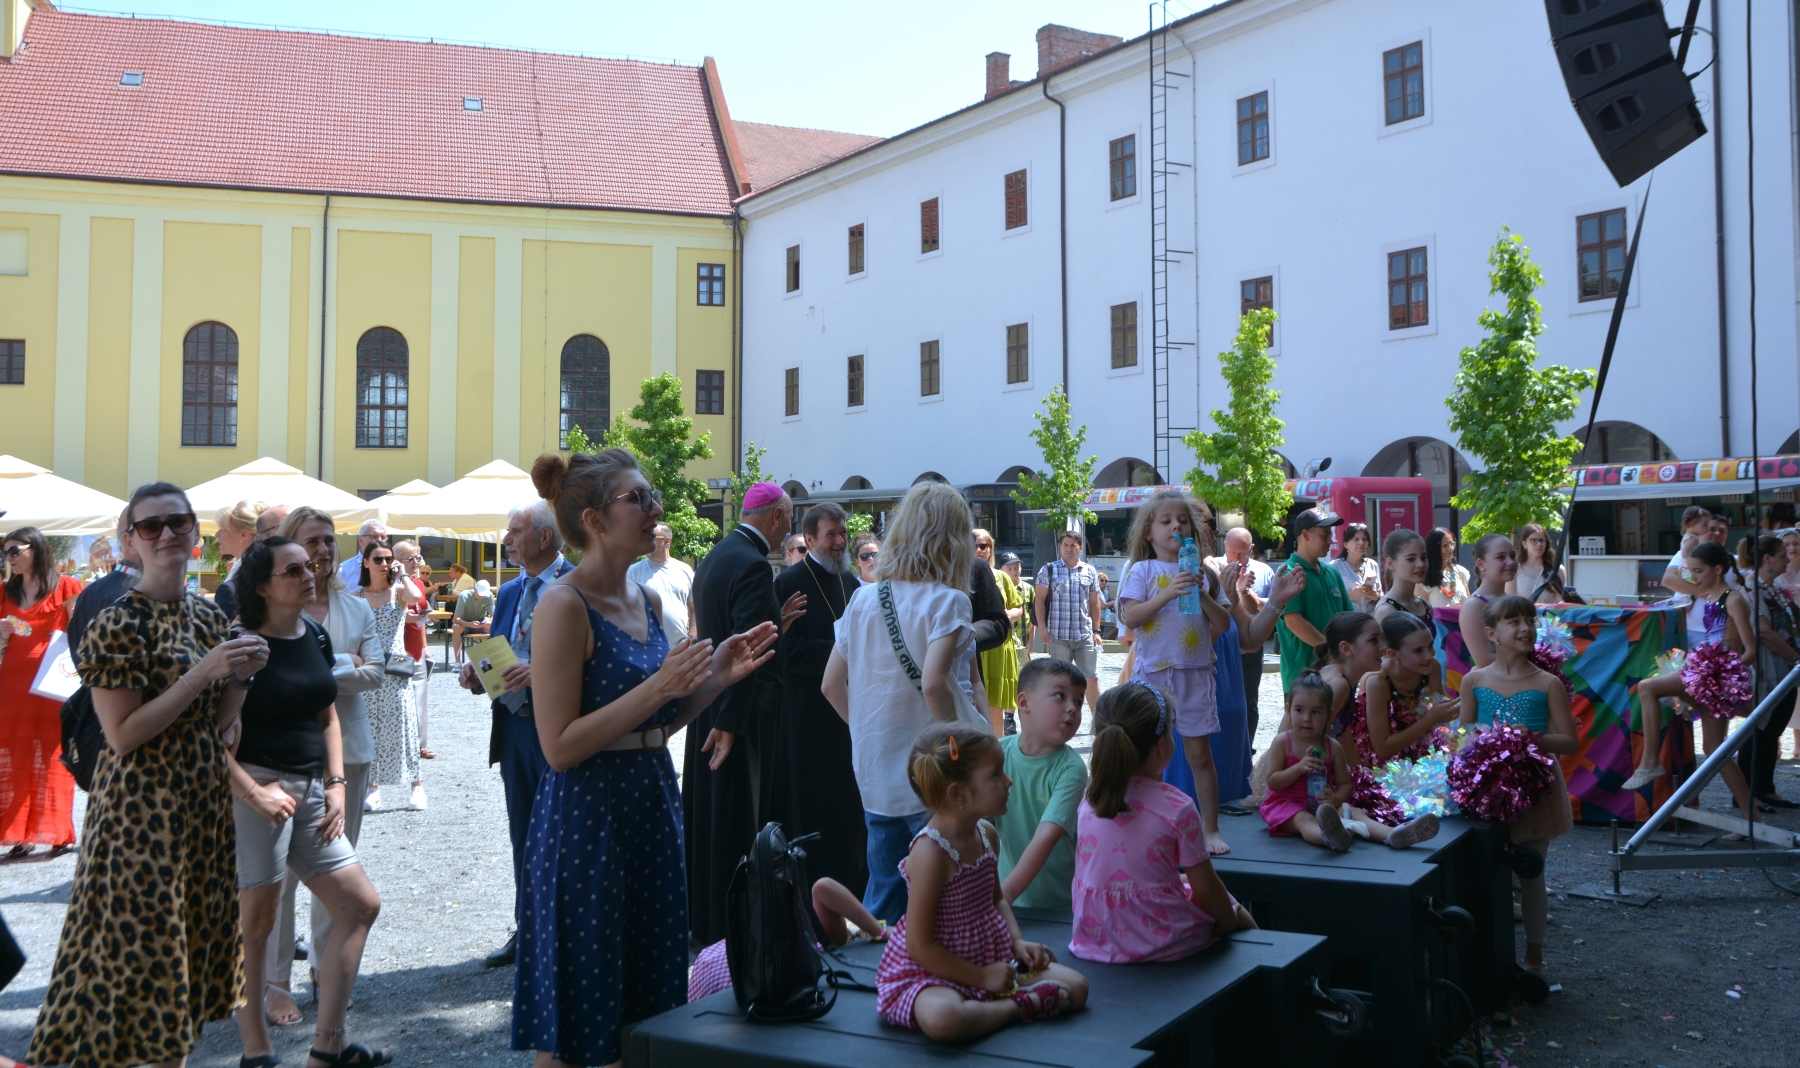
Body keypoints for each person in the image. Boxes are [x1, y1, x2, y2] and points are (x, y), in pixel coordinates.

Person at [515, 449, 777, 1067]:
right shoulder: (562, 604)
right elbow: (558, 747)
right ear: (595, 520)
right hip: (587, 818)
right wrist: (658, 687)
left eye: (650, 493)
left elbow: (659, 722)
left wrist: (715, 679)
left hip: (651, 805)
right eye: (638, 497)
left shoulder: (648, 601)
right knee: (580, 1012)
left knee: (644, 1003)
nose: (654, 508)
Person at [29, 482, 266, 1068]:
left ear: (195, 534)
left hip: (199, 805)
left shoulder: (209, 615)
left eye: (178, 523)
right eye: (151, 526)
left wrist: (239, 678)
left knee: (182, 971)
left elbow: (217, 724)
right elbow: (123, 735)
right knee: (140, 968)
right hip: (138, 814)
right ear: (130, 541)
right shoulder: (117, 622)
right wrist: (202, 673)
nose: (166, 535)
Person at [224, 537, 388, 1068]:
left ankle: (328, 1046)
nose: (309, 573)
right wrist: (254, 792)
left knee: (360, 904)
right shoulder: (241, 645)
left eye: (311, 565)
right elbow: (206, 737)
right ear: (263, 587)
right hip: (256, 791)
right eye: (293, 569)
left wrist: (336, 784)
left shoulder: (315, 635)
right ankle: (257, 1053)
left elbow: (328, 715)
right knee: (258, 921)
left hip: (312, 789)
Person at [822, 481, 983, 923]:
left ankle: (882, 983)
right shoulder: (948, 601)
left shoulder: (863, 598)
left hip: (875, 772)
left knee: (885, 900)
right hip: (933, 772)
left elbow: (831, 686)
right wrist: (956, 750)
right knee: (947, 901)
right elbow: (934, 684)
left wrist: (866, 733)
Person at [873, 723, 1088, 1039]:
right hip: (937, 971)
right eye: (996, 775)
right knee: (945, 1019)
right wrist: (979, 977)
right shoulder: (931, 852)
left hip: (992, 958)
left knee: (1077, 988)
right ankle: (1020, 1006)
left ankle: (998, 1003)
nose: (1008, 780)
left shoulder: (986, 835)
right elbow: (919, 946)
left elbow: (997, 899)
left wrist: (1017, 943)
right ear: (958, 793)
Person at [262, 506, 387, 1030]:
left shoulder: (354, 609)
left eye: (329, 541)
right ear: (290, 548)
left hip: (348, 754)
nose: (323, 550)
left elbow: (380, 671)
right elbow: (264, 675)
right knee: (277, 878)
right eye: (312, 541)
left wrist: (319, 670)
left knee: (336, 871)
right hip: (279, 757)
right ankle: (272, 983)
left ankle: (323, 971)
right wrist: (342, 665)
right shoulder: (265, 607)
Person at [458, 500, 574, 969]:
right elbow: (498, 654)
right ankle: (528, 929)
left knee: (565, 831)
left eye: (515, 531)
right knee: (523, 832)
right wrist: (475, 676)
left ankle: (566, 932)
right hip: (515, 730)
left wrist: (540, 671)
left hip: (563, 728)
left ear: (545, 537)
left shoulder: (577, 587)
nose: (506, 540)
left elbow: (592, 664)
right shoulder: (509, 593)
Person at [686, 481, 802, 945]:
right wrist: (731, 723)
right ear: (775, 517)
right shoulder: (754, 565)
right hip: (742, 713)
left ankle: (707, 916)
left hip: (708, 701)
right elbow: (748, 654)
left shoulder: (717, 555)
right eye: (789, 521)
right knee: (741, 819)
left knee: (712, 817)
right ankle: (737, 926)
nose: (788, 530)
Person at [1070, 683, 1254, 963]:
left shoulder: (1091, 801)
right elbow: (1206, 887)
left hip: (1094, 936)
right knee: (1237, 912)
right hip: (1160, 939)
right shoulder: (1176, 807)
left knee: (1179, 881)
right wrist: (1227, 921)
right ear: (1160, 746)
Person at [1457, 595, 1577, 977]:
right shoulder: (1475, 680)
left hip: (1536, 787)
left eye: (1530, 620)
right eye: (1514, 622)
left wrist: (1535, 739)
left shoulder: (1548, 683)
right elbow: (1464, 736)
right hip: (1488, 788)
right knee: (1488, 872)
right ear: (1492, 633)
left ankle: (1534, 957)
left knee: (1530, 871)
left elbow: (1570, 741)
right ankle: (1486, 955)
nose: (1525, 627)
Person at [1115, 489, 1234, 854]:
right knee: (1146, 755)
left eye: (1182, 521)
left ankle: (1210, 828)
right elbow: (1129, 617)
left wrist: (1203, 594)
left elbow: (1225, 624)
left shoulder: (1205, 573)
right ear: (1148, 533)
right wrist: (1167, 594)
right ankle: (1138, 824)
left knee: (1200, 756)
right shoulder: (1142, 569)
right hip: (1152, 676)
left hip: (1195, 673)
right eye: (1165, 521)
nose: (1175, 526)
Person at [769, 501, 868, 896]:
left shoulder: (851, 583)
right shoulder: (788, 583)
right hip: (808, 715)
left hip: (849, 710)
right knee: (817, 803)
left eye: (843, 534)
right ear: (809, 539)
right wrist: (841, 652)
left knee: (850, 804)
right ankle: (818, 893)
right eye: (831, 535)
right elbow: (784, 652)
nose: (840, 543)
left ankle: (856, 887)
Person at [1621, 544, 1759, 814]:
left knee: (1648, 688)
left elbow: (1750, 650)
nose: (1693, 578)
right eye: (1691, 571)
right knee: (1714, 750)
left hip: (1716, 678)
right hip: (1706, 674)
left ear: (1717, 570)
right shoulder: (1708, 597)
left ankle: (1650, 761)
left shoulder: (1732, 599)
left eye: (1698, 571)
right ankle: (1754, 817)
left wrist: (1722, 675)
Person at [1260, 672, 1438, 850]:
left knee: (1355, 812)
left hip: (1323, 806)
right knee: (1303, 819)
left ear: (1329, 715)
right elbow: (1273, 782)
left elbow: (1345, 784)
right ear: (1288, 710)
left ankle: (1393, 834)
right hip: (1286, 806)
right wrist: (1298, 768)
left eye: (1315, 712)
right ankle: (1328, 837)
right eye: (1299, 710)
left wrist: (1335, 799)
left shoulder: (1333, 747)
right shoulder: (1283, 742)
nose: (1307, 718)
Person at [0, 526, 84, 855]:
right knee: (15, 752)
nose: (8, 558)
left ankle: (58, 832)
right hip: (13, 683)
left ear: (35, 549)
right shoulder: (6, 590)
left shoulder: (66, 585)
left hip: (54, 681)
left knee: (52, 753)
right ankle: (20, 834)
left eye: (14, 550)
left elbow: (80, 629)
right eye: (5, 552)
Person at [687, 877, 886, 1001]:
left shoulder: (708, 960)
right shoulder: (816, 945)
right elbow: (823, 888)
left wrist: (878, 930)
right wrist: (879, 930)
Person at [1347, 613, 1458, 821]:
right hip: (1382, 763)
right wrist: (1431, 719)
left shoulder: (1430, 667)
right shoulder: (1378, 681)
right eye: (1418, 650)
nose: (1428, 655)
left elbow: (1439, 725)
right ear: (1393, 654)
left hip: (1420, 748)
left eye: (1430, 646)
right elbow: (1382, 748)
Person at [996, 658, 1087, 909]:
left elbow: (1046, 837)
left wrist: (1002, 898)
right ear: (1024, 703)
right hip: (1008, 899)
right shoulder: (997, 754)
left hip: (1058, 905)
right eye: (1060, 696)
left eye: (1078, 702)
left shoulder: (1071, 768)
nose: (1073, 708)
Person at [353, 541, 425, 811]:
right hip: (368, 670)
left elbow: (416, 597)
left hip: (395, 669)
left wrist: (402, 572)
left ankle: (416, 786)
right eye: (378, 559)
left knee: (404, 726)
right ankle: (373, 788)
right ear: (366, 562)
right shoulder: (356, 595)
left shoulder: (398, 593)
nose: (384, 564)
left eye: (388, 559)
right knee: (369, 728)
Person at [1736, 535, 1800, 809]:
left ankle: (1764, 788)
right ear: (1767, 559)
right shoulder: (1752, 590)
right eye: (1782, 554)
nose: (1787, 558)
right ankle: (1746, 793)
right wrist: (1796, 659)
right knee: (1758, 729)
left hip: (1783, 669)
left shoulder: (1773, 588)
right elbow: (1763, 632)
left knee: (1772, 729)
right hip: (1767, 669)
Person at [1275, 509, 1352, 707]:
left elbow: (1349, 618)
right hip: (1301, 678)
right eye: (1325, 535)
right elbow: (1294, 622)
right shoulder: (1289, 571)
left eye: (1331, 534)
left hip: (1337, 675)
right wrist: (1333, 652)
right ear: (1306, 535)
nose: (1330, 540)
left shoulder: (1332, 573)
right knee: (1301, 736)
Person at [1215, 525, 1276, 739]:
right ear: (1224, 546)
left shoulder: (1263, 571)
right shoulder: (1214, 567)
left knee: (1249, 699)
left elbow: (1265, 609)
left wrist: (1245, 591)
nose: (1236, 557)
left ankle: (1247, 744)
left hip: (1251, 643)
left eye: (1241, 552)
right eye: (1232, 552)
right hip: (1221, 641)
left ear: (1251, 548)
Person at [1033, 530, 1103, 713]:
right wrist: (1042, 627)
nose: (1069, 549)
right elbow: (1039, 600)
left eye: (1073, 545)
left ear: (1080, 548)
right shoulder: (1049, 570)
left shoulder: (1090, 571)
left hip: (1084, 634)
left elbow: (1095, 603)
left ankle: (1100, 723)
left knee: (1091, 678)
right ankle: (1058, 720)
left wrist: (1097, 631)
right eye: (1065, 545)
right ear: (1060, 547)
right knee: (1059, 681)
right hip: (1058, 636)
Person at [974, 528, 1024, 734]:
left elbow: (1018, 606)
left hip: (998, 646)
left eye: (983, 545)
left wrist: (1005, 615)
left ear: (990, 549)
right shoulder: (959, 574)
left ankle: (998, 749)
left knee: (995, 704)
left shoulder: (1001, 577)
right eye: (974, 545)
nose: (979, 549)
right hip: (974, 645)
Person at [1312, 611, 1381, 744]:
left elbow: (1344, 738)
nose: (1383, 647)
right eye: (1373, 640)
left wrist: (1357, 766)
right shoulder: (1339, 684)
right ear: (1346, 648)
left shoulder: (1337, 675)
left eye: (1382, 639)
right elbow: (1306, 742)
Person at [394, 539, 435, 760]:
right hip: (397, 650)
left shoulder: (419, 585)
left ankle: (420, 744)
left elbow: (422, 617)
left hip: (417, 648)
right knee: (398, 699)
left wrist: (426, 647)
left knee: (420, 697)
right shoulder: (390, 585)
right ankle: (399, 744)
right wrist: (403, 616)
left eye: (417, 557)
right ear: (397, 562)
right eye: (410, 559)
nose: (415, 562)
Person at [626, 522, 696, 647]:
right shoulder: (632, 572)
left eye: (652, 537)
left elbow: (694, 609)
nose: (646, 540)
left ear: (667, 540)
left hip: (681, 648)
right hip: (648, 648)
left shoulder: (685, 570)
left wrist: (692, 638)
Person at [1458, 534, 1518, 670]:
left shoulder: (1512, 600)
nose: (1510, 562)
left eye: (1513, 556)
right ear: (1481, 564)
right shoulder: (1474, 605)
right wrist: (1533, 660)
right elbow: (1484, 660)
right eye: (1501, 557)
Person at [210, 499, 266, 622]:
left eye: (222, 528)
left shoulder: (238, 583)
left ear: (243, 535)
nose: (217, 534)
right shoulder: (264, 569)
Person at [1374, 528, 1432, 626]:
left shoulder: (1426, 606)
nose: (1420, 564)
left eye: (1423, 558)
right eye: (1411, 559)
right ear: (1391, 563)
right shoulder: (1386, 611)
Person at [1329, 522, 1382, 615]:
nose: (1361, 543)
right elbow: (1329, 600)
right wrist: (1351, 595)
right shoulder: (1334, 567)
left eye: (1364, 539)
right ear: (1346, 544)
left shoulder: (1373, 565)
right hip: (1349, 621)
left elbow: (1381, 597)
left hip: (1372, 620)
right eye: (1356, 539)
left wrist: (1376, 596)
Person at [1511, 523, 1569, 603]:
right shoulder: (1514, 569)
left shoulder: (1558, 569)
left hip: (1549, 614)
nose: (1539, 544)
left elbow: (1560, 601)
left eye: (1542, 540)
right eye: (1533, 540)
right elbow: (1509, 601)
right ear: (1524, 544)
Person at [998, 551, 1033, 671]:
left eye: (1017, 568)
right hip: (1004, 641)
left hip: (1022, 641)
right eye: (1009, 569)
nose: (1014, 572)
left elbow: (1032, 617)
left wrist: (1031, 641)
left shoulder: (1028, 589)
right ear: (1001, 570)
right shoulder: (997, 588)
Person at [1422, 527, 1470, 608]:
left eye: (1452, 544)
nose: (1450, 548)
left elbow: (1468, 604)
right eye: (1445, 545)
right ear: (1434, 548)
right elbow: (1422, 612)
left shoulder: (1460, 571)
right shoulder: (1423, 575)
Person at [450, 579, 496, 661]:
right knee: (456, 627)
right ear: (475, 590)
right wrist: (469, 624)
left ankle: (493, 660)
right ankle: (457, 661)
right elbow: (456, 619)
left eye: (484, 595)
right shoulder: (464, 595)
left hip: (480, 623)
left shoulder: (489, 596)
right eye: (480, 594)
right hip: (464, 624)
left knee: (495, 627)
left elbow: (493, 615)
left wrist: (490, 621)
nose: (482, 597)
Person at [336, 520, 389, 591]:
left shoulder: (392, 568)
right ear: (360, 540)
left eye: (383, 537)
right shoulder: (343, 571)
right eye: (374, 536)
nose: (380, 540)